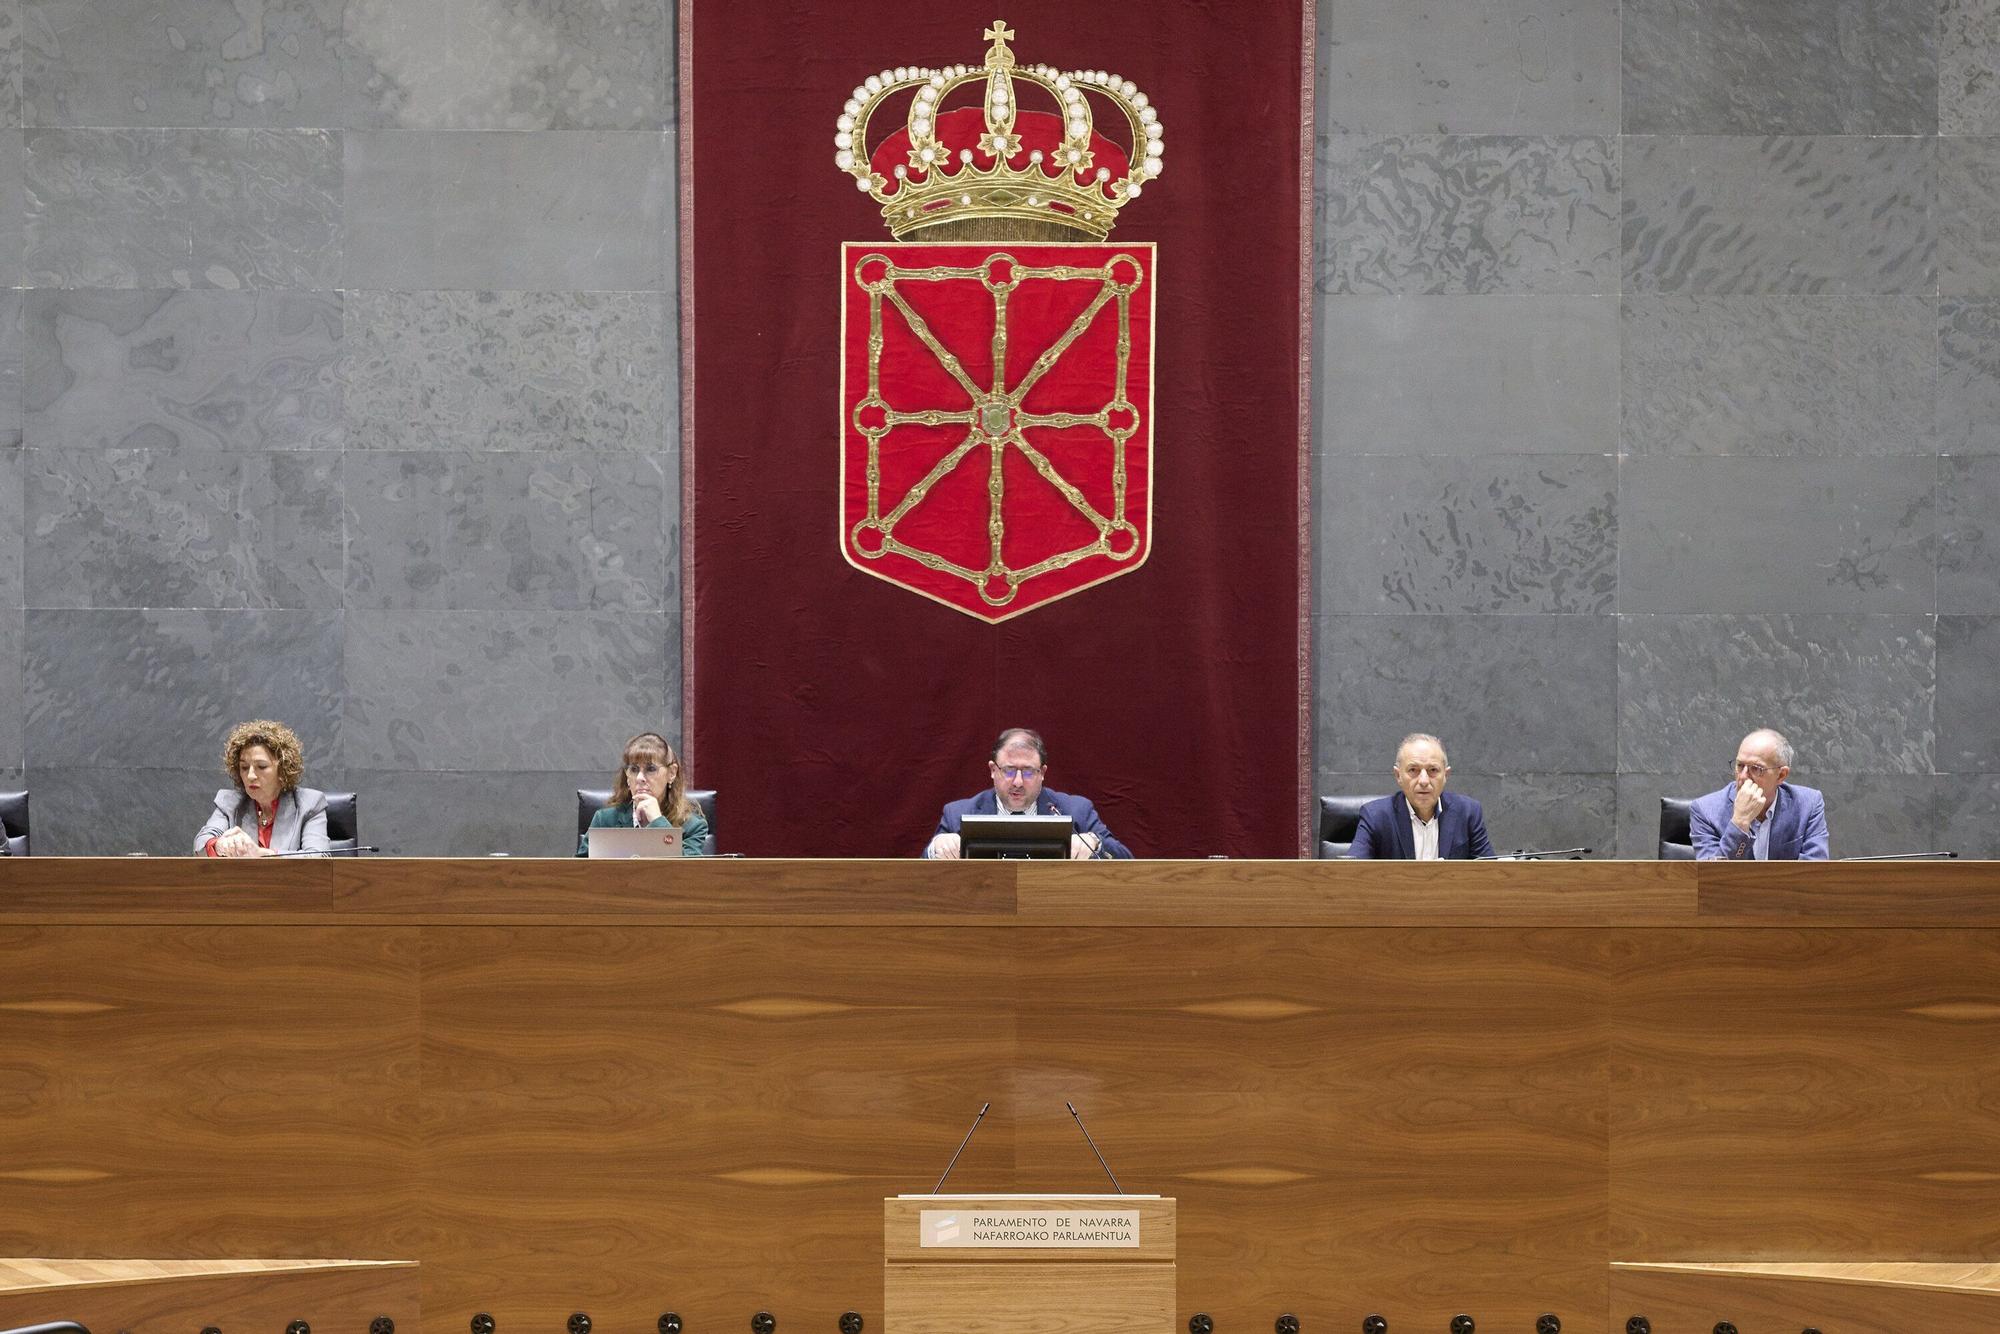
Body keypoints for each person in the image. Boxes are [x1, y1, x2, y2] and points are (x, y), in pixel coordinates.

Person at [925, 727, 1131, 859]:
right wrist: (936, 848)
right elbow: (921, 870)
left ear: (1043, 773)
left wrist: (1095, 842)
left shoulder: (1077, 810)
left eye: (1028, 772)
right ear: (993, 770)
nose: (1018, 782)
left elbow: (1125, 859)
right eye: (1008, 770)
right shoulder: (957, 813)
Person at [1347, 733, 1494, 859]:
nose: (1424, 781)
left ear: (1446, 775)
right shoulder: (1376, 816)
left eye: (1433, 770)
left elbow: (1491, 873)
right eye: (1413, 770)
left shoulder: (1468, 813)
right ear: (1398, 775)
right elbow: (1351, 872)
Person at [1689, 728, 1829, 860]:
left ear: (1781, 775)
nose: (1743, 776)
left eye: (1756, 769)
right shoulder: (1705, 811)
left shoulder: (1808, 805)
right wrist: (1740, 823)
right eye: (1740, 765)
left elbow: (1816, 871)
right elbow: (1711, 874)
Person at [195, 720, 330, 857]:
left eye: (261, 766)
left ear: (283, 769)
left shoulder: (309, 804)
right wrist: (219, 845)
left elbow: (319, 858)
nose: (250, 776)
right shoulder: (230, 802)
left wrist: (263, 855)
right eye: (244, 767)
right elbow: (201, 844)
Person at [577, 731, 711, 856]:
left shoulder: (692, 826)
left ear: (671, 773)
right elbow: (579, 870)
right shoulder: (605, 820)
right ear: (627, 777)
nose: (640, 778)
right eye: (634, 769)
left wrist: (658, 821)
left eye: (651, 769)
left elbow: (687, 871)